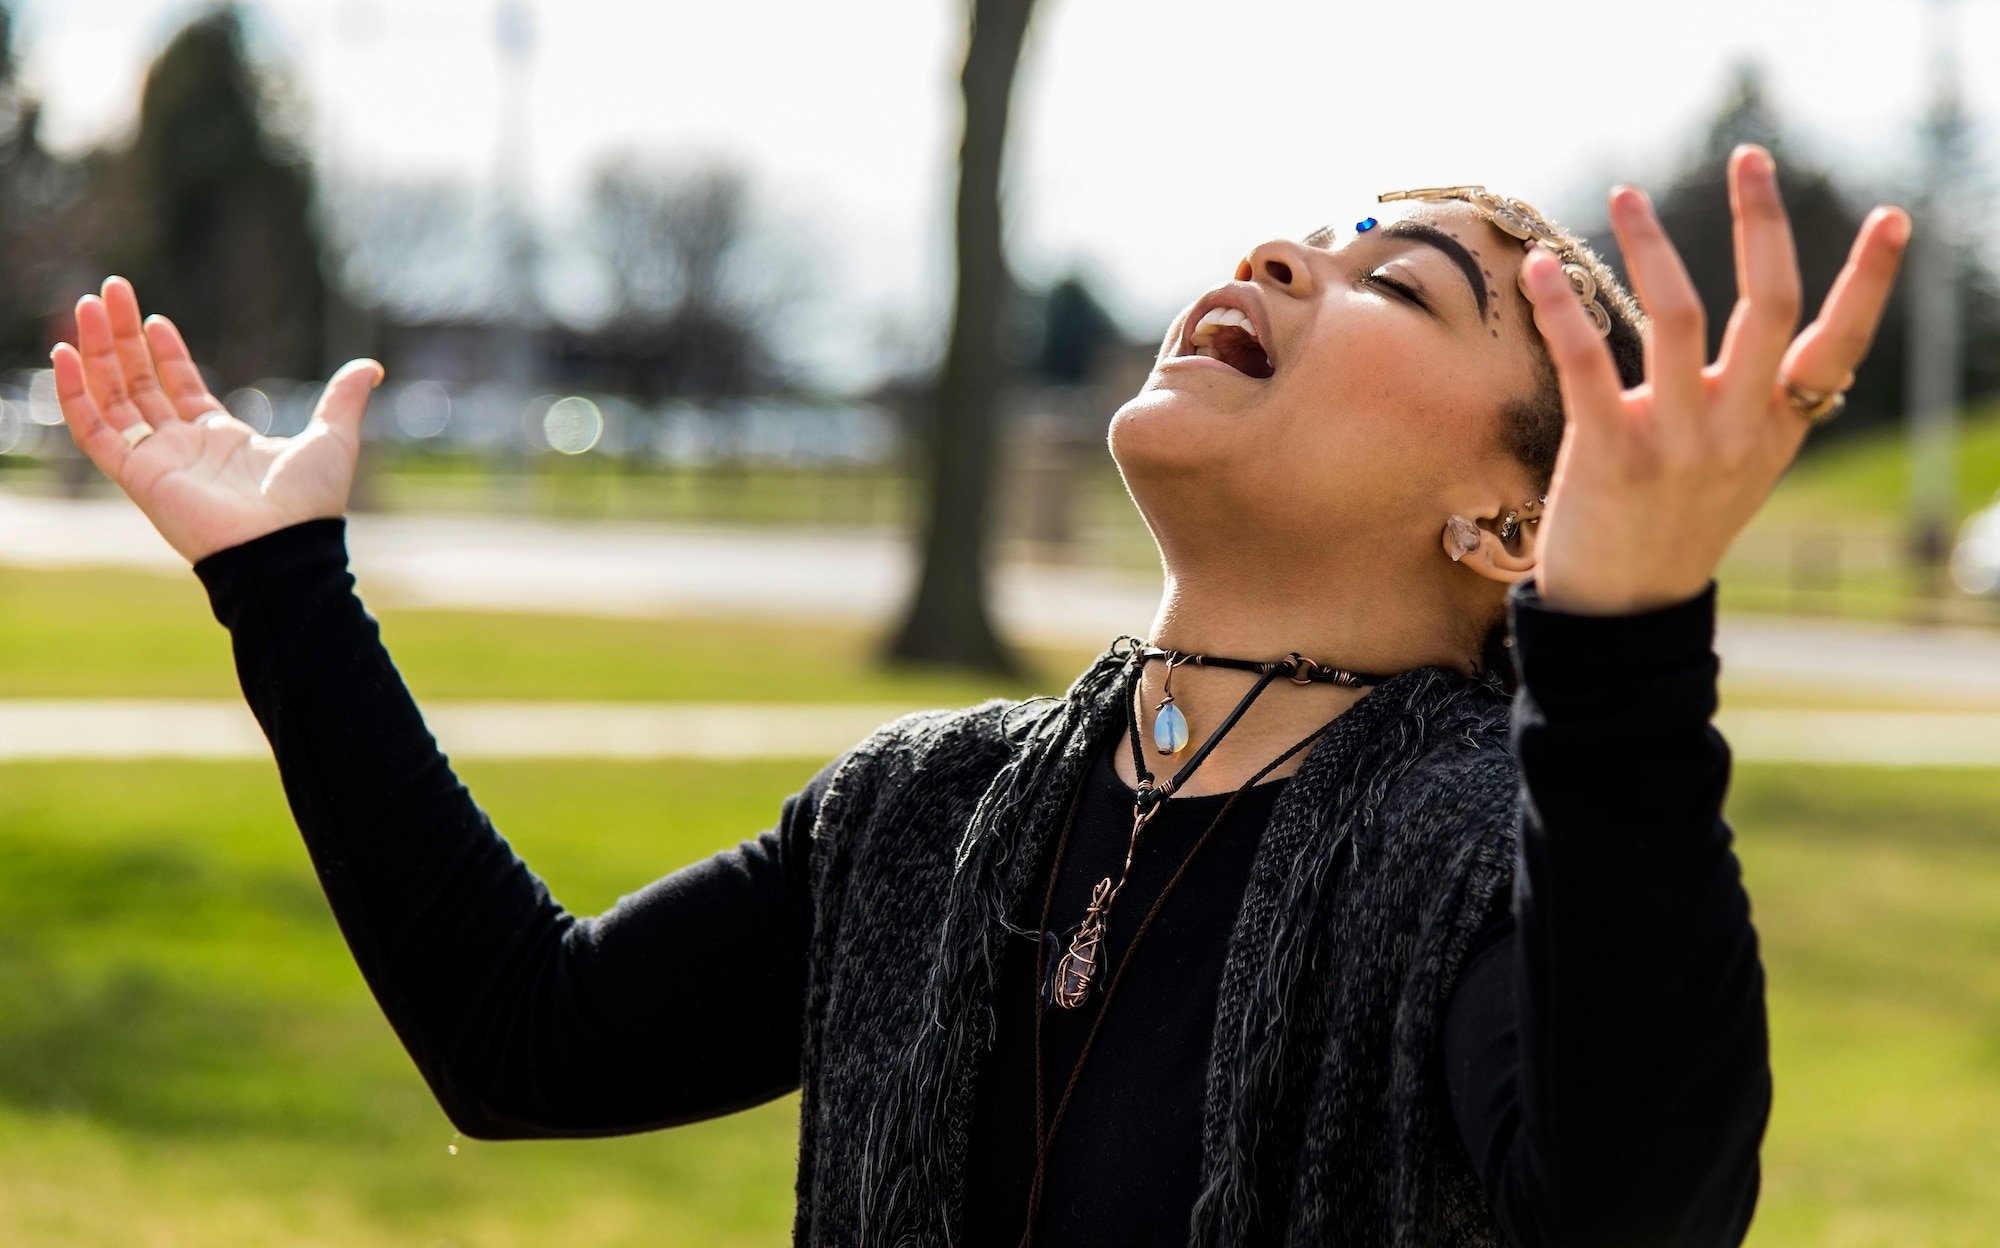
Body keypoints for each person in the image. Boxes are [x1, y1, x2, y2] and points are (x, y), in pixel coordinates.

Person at [53, 146, 1906, 1247]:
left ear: (1510, 519)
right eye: (1312, 239)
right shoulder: (921, 812)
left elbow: (1638, 1212)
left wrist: (1632, 640)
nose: (1277, 258)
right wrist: (282, 586)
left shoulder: (1489, 867)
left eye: (1397, 288)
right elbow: (527, 1040)